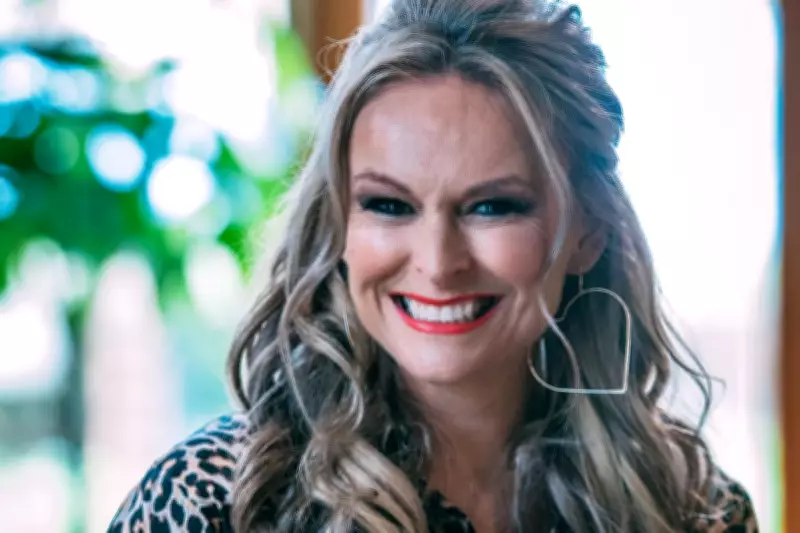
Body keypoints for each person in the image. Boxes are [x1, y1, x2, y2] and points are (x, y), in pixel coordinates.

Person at [108, 0, 760, 531]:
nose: (439, 263)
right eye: (389, 205)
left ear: (588, 231)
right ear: (338, 224)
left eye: (492, 206)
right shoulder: (215, 501)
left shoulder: (695, 509)